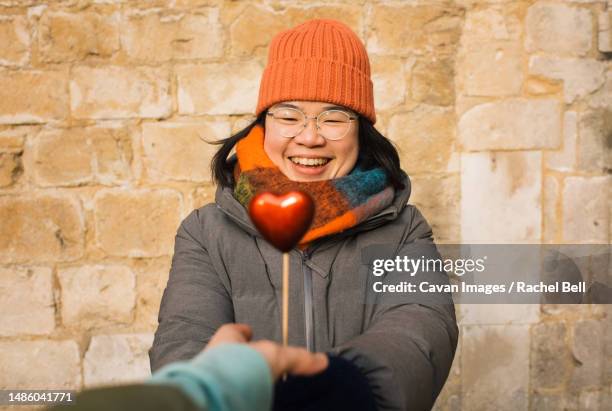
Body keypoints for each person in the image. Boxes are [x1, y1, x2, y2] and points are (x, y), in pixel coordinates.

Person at [150, 18, 459, 411]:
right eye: (289, 115)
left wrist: (341, 388)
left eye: (333, 117)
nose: (310, 136)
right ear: (263, 124)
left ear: (360, 130)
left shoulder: (403, 229)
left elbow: (422, 330)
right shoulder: (205, 233)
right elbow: (184, 337)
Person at [49, 323, 328, 411]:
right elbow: (183, 338)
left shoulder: (374, 229)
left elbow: (374, 343)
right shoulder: (206, 228)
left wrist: (342, 377)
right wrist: (214, 388)